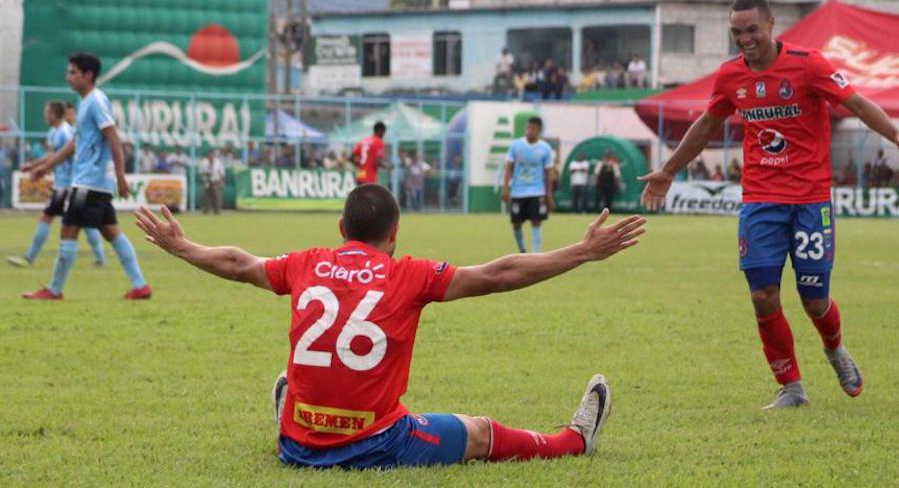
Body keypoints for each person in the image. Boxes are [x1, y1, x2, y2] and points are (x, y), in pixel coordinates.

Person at [133, 184, 647, 470]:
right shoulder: (409, 274)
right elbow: (498, 274)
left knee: (301, 381)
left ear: (341, 229)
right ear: (395, 232)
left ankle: (295, 414)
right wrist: (581, 252)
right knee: (479, 433)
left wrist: (181, 246)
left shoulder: (305, 263)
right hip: (378, 443)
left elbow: (236, 262)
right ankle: (574, 441)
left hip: (296, 445)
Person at [638, 0, 899, 409]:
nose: (745, 39)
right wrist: (668, 169)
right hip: (760, 201)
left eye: (752, 29)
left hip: (810, 200)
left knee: (814, 300)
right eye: (737, 32)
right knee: (762, 295)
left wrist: (897, 137)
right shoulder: (730, 77)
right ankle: (791, 387)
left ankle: (834, 349)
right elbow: (706, 124)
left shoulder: (809, 64)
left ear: (771, 24)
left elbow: (857, 103)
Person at [20, 53, 151, 301]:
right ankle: (140, 286)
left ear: (88, 75)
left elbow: (113, 137)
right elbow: (74, 144)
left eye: (72, 72)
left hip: (87, 182)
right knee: (112, 232)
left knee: (68, 230)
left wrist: (121, 175)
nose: (67, 77)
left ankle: (54, 290)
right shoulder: (86, 103)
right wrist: (45, 166)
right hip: (94, 183)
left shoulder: (96, 101)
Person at [6, 101, 107, 268]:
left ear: (54, 114)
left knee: (47, 217)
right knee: (83, 221)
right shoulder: (54, 132)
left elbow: (63, 155)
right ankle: (100, 258)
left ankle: (29, 257)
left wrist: (37, 167)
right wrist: (35, 165)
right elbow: (52, 155)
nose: (45, 115)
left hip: (68, 185)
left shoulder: (65, 132)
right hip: (63, 183)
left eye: (47, 112)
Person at [501, 116, 554, 253]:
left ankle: (536, 254)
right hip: (518, 191)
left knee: (536, 222)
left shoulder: (545, 149)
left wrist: (549, 195)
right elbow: (508, 167)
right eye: (528, 128)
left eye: (533, 129)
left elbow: (549, 174)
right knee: (515, 223)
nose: (530, 131)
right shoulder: (515, 146)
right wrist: (505, 187)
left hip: (537, 191)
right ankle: (522, 250)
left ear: (539, 131)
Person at [351, 121, 386, 186]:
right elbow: (377, 162)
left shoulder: (362, 141)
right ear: (380, 131)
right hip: (369, 178)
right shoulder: (378, 142)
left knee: (360, 196)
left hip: (360, 176)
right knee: (372, 196)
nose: (383, 135)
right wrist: (387, 166)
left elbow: (351, 158)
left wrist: (359, 165)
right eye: (383, 132)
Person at [199, 149, 225, 215]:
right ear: (208, 155)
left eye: (213, 155)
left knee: (216, 196)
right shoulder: (204, 162)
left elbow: (222, 173)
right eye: (210, 154)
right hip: (206, 181)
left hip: (215, 181)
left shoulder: (218, 162)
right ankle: (205, 210)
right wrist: (206, 173)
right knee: (205, 196)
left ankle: (217, 210)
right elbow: (201, 172)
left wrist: (222, 182)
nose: (211, 156)